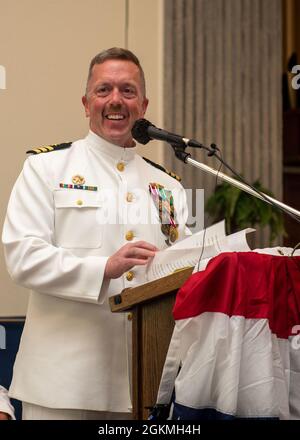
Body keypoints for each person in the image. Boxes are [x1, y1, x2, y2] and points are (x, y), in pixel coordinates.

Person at [2, 47, 189, 420]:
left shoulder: (166, 186)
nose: (115, 100)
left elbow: (180, 265)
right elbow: (22, 257)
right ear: (86, 104)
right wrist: (103, 267)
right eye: (103, 90)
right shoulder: (46, 168)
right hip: (62, 386)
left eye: (128, 90)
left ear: (144, 104)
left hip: (142, 384)